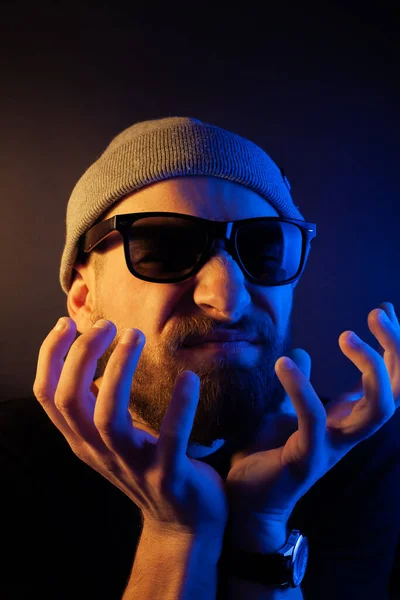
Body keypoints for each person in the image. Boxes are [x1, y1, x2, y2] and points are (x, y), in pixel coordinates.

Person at [1, 116, 399, 600]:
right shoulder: (12, 461)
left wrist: (262, 523)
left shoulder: (357, 459)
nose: (227, 300)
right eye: (163, 248)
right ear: (84, 299)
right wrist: (175, 534)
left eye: (263, 248)